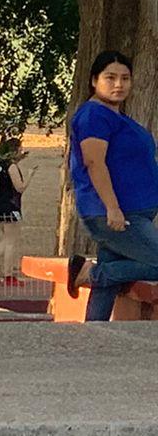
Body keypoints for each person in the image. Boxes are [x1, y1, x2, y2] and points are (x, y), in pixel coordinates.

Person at [65, 51, 158, 321]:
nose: (119, 84)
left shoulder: (116, 117)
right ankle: (89, 273)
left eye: (125, 78)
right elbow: (94, 162)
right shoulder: (94, 115)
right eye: (110, 77)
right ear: (94, 80)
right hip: (115, 214)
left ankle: (96, 335)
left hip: (132, 213)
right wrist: (113, 208)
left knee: (111, 276)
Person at [0, 139, 35, 288]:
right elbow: (19, 187)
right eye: (20, 149)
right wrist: (29, 176)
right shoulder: (11, 166)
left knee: (6, 238)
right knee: (11, 242)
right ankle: (8, 275)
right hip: (9, 207)